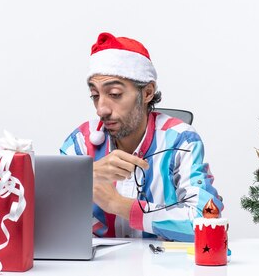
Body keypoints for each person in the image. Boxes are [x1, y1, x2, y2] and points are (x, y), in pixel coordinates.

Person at [60, 32, 223, 242]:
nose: (101, 109)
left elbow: (207, 221)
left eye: (115, 94)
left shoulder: (180, 140)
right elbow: (43, 216)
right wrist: (82, 175)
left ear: (147, 93)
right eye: (95, 95)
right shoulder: (80, 143)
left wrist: (120, 205)